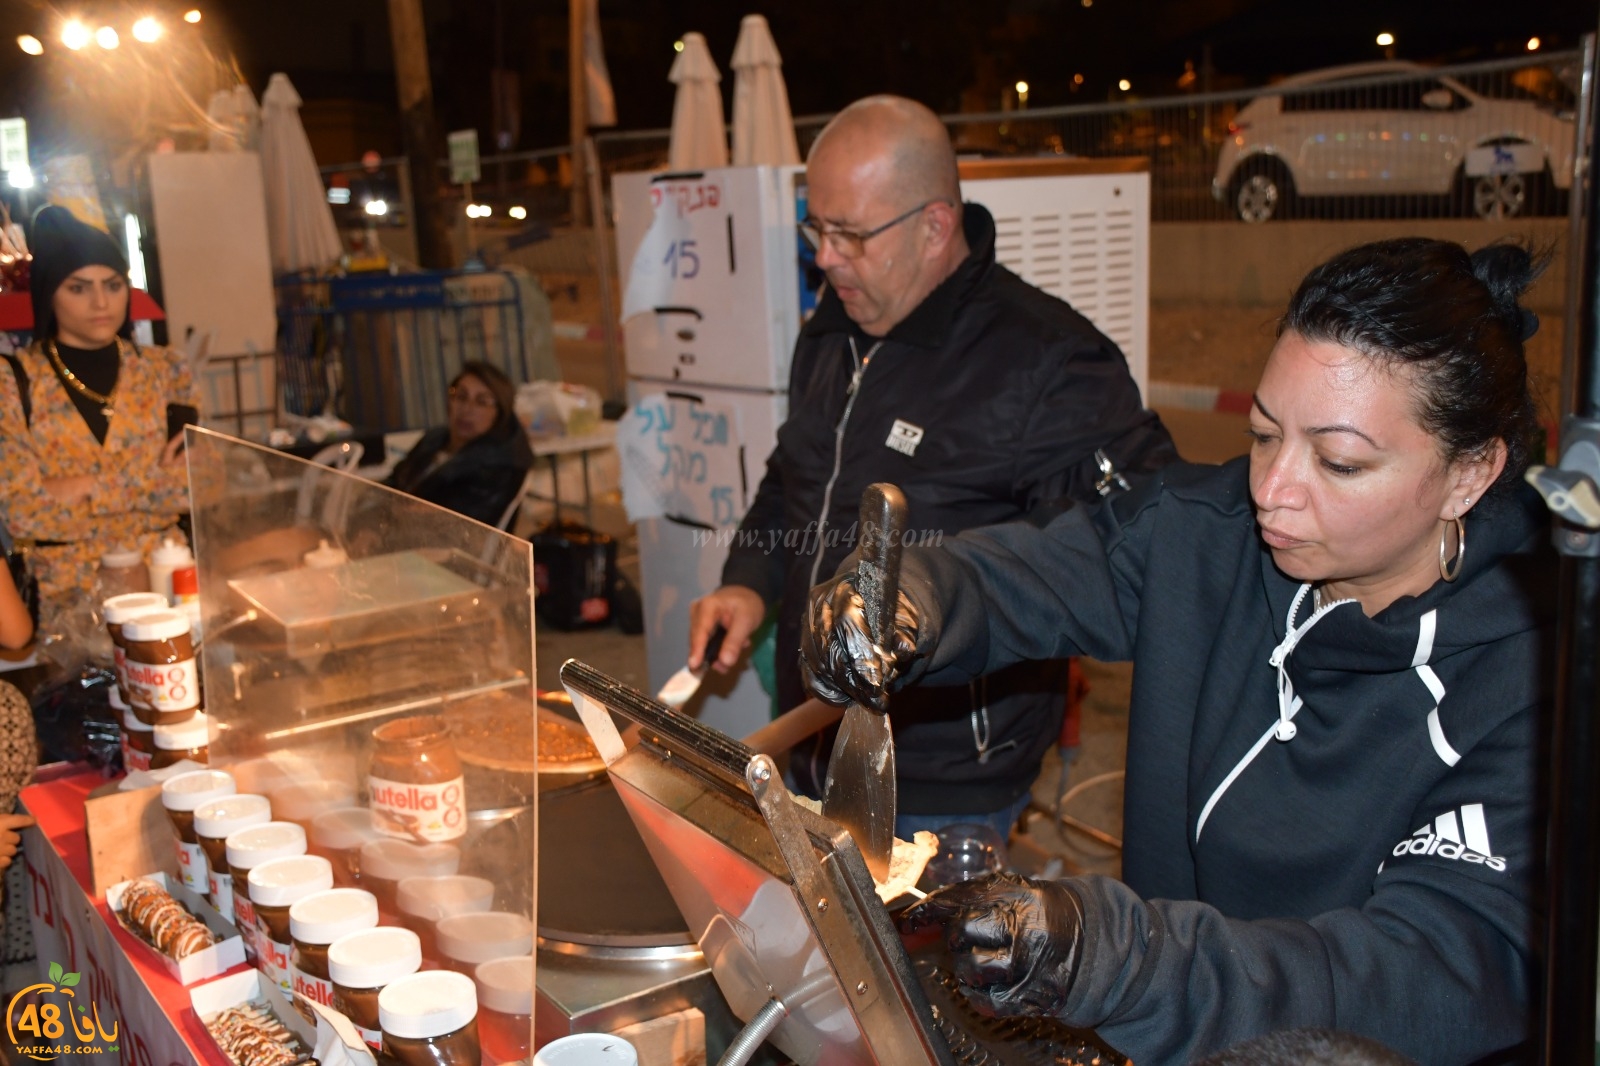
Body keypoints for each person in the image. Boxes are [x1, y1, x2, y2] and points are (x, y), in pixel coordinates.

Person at [802, 238, 1551, 1063]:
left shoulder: (1526, 686)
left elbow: (1432, 977)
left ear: (1470, 475)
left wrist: (1120, 959)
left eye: (1339, 462)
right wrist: (911, 601)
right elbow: (1026, 573)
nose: (1273, 490)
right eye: (1265, 435)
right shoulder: (1207, 535)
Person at [687, 95, 1175, 837]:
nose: (823, 258)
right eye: (815, 228)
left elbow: (1144, 544)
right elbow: (794, 474)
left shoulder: (1048, 361)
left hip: (944, 782)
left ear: (935, 225)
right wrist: (747, 582)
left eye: (847, 233)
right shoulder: (834, 327)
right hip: (808, 742)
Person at [0, 206, 198, 622]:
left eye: (113, 284)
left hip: (168, 583)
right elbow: (21, 512)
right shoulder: (14, 380)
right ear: (49, 293)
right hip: (68, 601)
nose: (100, 302)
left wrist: (79, 486)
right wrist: (150, 485)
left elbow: (197, 488)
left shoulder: (167, 370)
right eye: (78, 288)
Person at [384, 362, 533, 527]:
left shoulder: (499, 466)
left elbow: (453, 524)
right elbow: (394, 482)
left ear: (500, 413)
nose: (467, 409)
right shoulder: (435, 438)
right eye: (461, 397)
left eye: (481, 402)